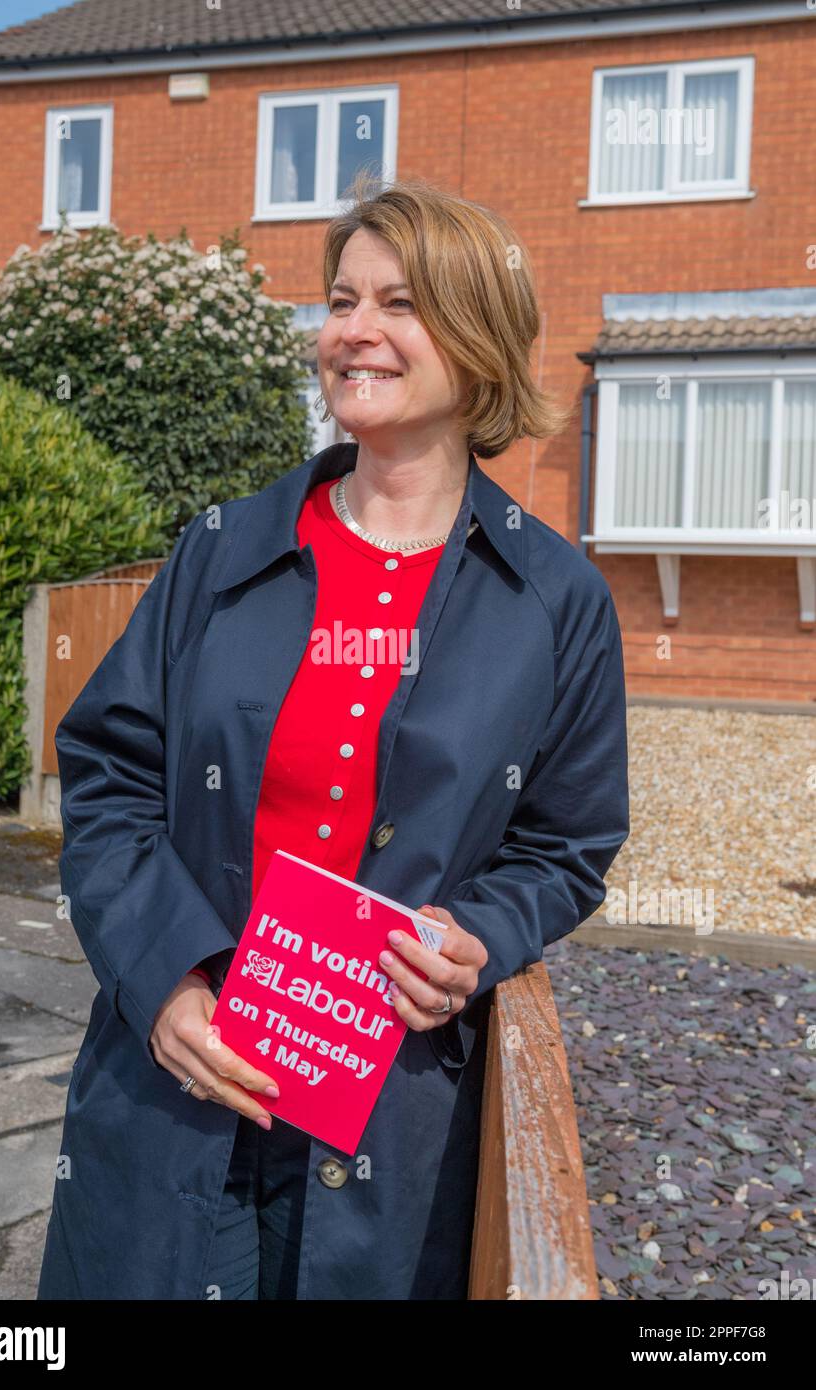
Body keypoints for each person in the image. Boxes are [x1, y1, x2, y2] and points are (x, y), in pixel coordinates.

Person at [36, 173, 629, 1301]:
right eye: (341, 299)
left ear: (479, 340)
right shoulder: (220, 550)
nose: (351, 331)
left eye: (398, 304)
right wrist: (162, 983)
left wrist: (480, 935)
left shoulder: (553, 599)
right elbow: (111, 778)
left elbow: (567, 840)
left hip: (387, 1118)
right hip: (178, 1079)